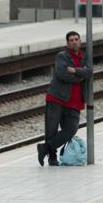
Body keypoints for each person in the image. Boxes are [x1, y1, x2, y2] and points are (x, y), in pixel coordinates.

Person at [39, 30, 92, 166]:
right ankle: (52, 158)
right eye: (71, 40)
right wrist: (80, 76)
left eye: (76, 39)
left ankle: (44, 148)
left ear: (80, 41)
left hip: (75, 101)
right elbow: (62, 73)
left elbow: (89, 71)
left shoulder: (84, 57)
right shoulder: (61, 56)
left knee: (71, 129)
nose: (74, 42)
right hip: (57, 98)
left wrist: (75, 71)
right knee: (52, 128)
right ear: (67, 43)